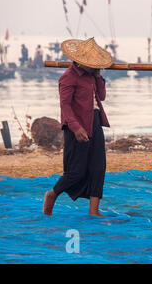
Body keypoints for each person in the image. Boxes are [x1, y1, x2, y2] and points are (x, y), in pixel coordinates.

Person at [43, 37, 113, 217]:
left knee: (99, 167)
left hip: (95, 121)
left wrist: (98, 76)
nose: (96, 66)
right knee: (76, 171)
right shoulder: (68, 78)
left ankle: (94, 211)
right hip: (77, 125)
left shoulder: (92, 75)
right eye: (94, 64)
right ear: (81, 62)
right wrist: (76, 127)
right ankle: (52, 194)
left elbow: (102, 97)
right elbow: (65, 106)